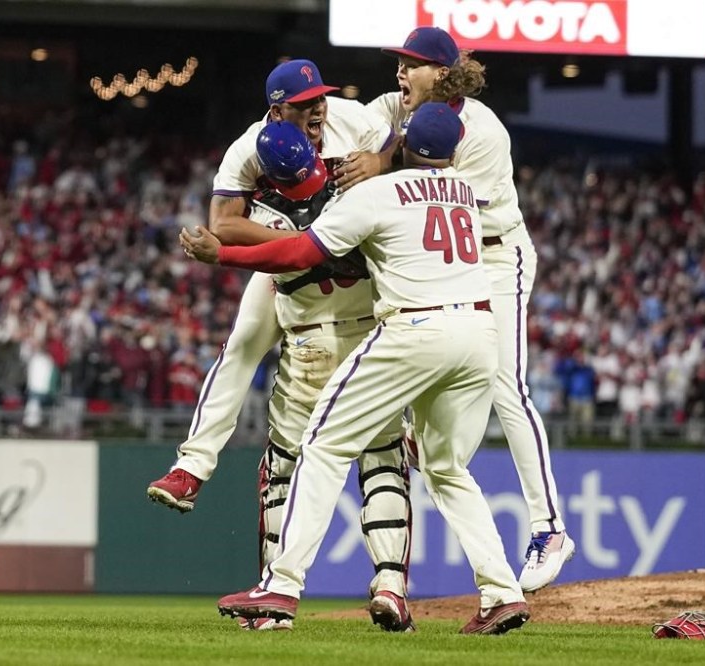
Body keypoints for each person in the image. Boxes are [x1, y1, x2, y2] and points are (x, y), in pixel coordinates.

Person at [188, 102, 530, 635]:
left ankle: (282, 584)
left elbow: (301, 251)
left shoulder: (379, 191)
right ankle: (501, 592)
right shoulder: (465, 190)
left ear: (404, 146)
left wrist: (223, 255)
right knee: (446, 469)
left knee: (322, 445)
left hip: (416, 329)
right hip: (480, 334)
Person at [148, 61, 413, 632]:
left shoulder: (349, 119)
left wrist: (382, 159)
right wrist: (301, 242)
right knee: (243, 343)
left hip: (344, 282)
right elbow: (223, 222)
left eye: (319, 97)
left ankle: (280, 591)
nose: (318, 109)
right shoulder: (248, 148)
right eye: (304, 103)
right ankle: (191, 467)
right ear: (277, 110)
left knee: (297, 454)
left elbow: (395, 148)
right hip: (308, 271)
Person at [339, 26, 575, 592]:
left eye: (412, 64)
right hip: (441, 262)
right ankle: (428, 440)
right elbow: (346, 121)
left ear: (443, 74)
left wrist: (383, 164)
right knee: (431, 373)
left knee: (506, 385)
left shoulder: (484, 130)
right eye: (398, 62)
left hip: (495, 256)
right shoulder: (392, 106)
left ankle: (549, 527)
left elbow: (444, 204)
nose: (400, 72)